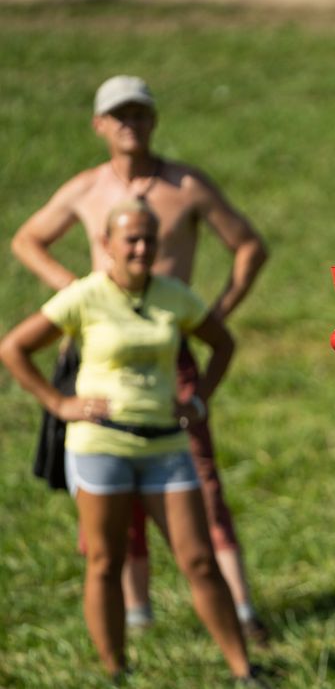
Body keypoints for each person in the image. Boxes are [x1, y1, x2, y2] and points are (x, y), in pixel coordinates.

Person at [10, 74, 269, 641]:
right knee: (110, 483)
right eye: (119, 115)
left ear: (154, 120)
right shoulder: (86, 188)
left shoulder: (185, 184)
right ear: (100, 125)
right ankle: (136, 614)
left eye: (140, 113)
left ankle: (242, 609)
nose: (131, 124)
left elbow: (249, 245)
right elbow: (26, 239)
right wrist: (77, 294)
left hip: (168, 344)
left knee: (198, 476)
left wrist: (214, 314)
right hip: (99, 352)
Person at [0, 201, 267, 685]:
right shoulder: (84, 296)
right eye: (131, 239)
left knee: (199, 558)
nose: (142, 248)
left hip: (166, 444)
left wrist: (199, 399)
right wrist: (59, 404)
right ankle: (116, 671)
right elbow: (13, 347)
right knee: (106, 560)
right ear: (107, 244)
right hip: (102, 444)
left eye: (150, 239)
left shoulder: (173, 295)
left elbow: (222, 343)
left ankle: (243, 669)